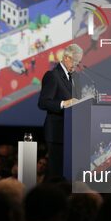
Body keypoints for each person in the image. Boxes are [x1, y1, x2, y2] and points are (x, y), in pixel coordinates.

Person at [37, 44, 82, 178]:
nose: (77, 64)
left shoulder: (76, 77)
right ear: (66, 58)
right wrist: (64, 103)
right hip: (57, 132)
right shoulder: (52, 75)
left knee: (68, 173)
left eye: (79, 61)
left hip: (72, 132)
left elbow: (77, 100)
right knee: (56, 172)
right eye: (75, 61)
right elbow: (43, 102)